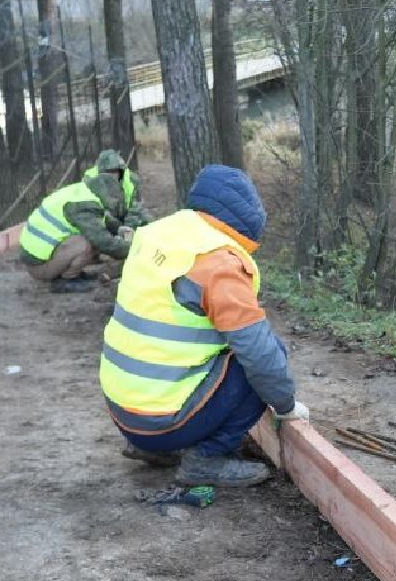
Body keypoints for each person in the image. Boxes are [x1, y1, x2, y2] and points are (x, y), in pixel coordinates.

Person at [101, 164, 307, 486]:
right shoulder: (218, 262)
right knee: (263, 359)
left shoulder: (160, 233)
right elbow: (261, 356)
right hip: (159, 422)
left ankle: (152, 447)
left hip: (122, 411)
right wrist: (286, 407)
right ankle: (205, 459)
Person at [20, 150, 148, 291]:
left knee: (89, 241)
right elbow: (104, 242)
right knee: (87, 244)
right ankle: (66, 280)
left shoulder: (86, 192)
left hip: (43, 256)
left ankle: (73, 273)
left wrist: (118, 228)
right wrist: (134, 250)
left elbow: (102, 220)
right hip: (39, 266)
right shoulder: (84, 206)